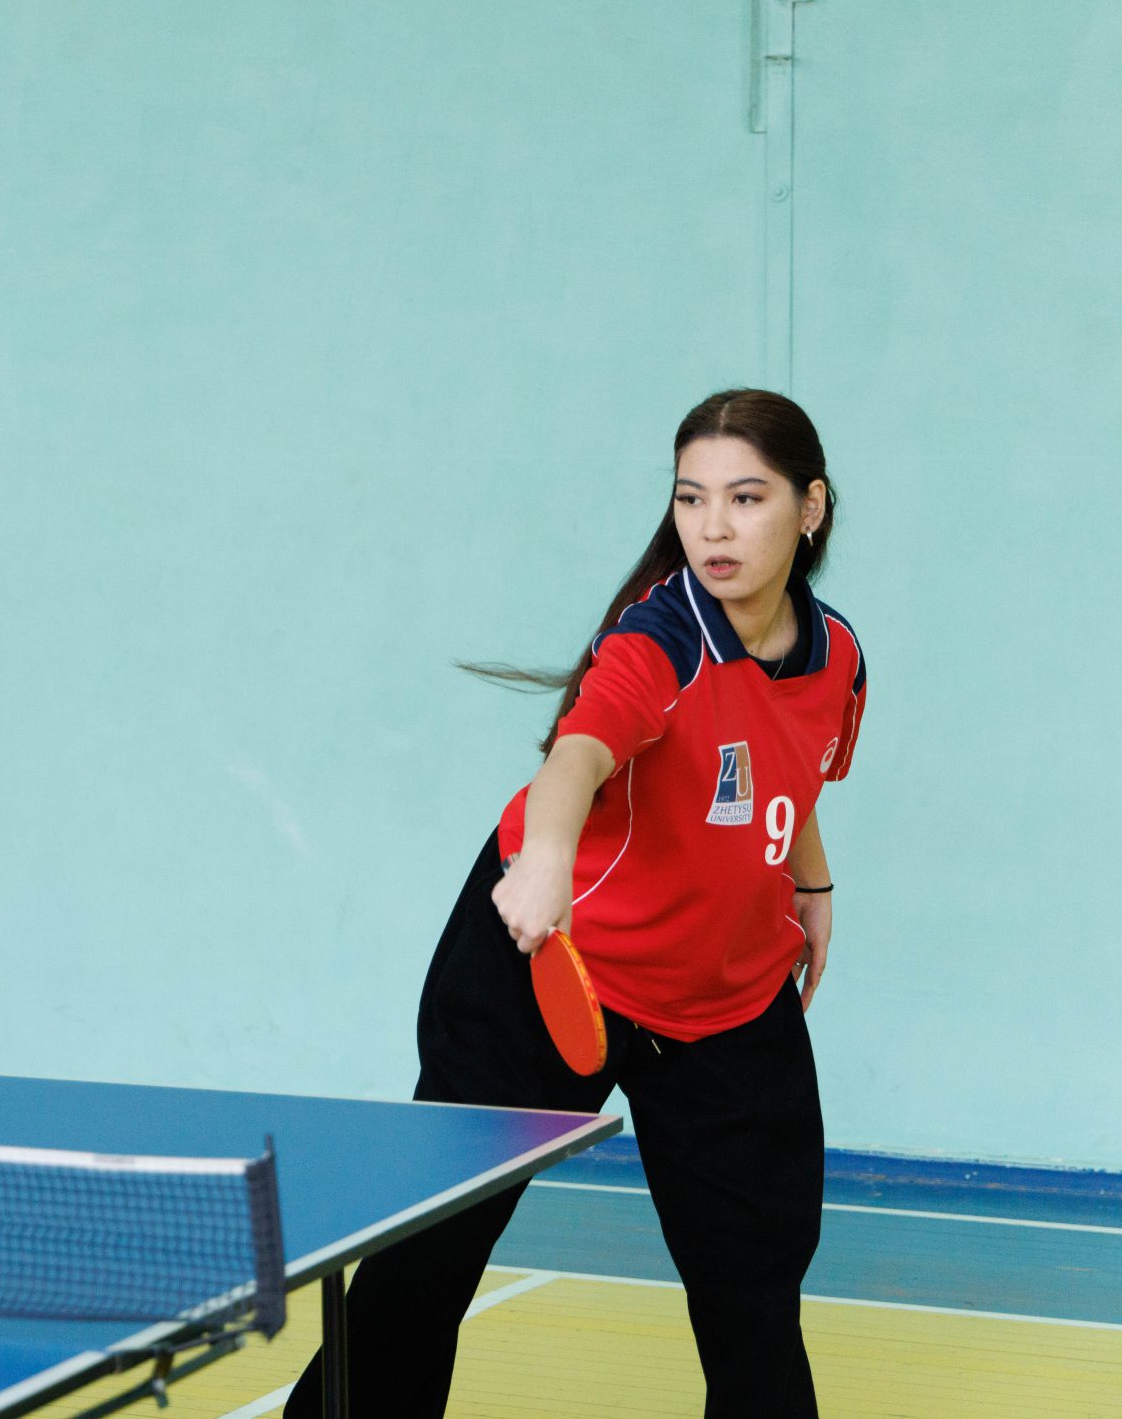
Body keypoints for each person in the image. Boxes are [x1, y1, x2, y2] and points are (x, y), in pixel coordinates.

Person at [286, 388, 867, 1418]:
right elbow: (578, 755)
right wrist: (547, 858)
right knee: (428, 1261)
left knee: (755, 1295)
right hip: (550, 961)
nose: (713, 527)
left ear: (809, 507)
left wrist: (809, 882)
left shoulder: (838, 659)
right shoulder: (656, 643)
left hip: (721, 1002)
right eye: (691, 498)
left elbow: (790, 766)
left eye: (745, 497)